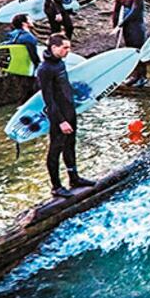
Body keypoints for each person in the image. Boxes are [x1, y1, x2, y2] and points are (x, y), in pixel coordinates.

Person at [36, 34, 95, 198]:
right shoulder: (45, 69)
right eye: (65, 48)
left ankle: (74, 178)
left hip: (70, 110)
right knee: (55, 149)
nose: (68, 51)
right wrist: (61, 121)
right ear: (54, 48)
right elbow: (48, 99)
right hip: (58, 115)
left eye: (69, 47)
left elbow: (64, 87)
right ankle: (56, 186)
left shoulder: (59, 63)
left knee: (70, 145)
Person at [111, 0, 148, 86]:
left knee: (138, 50)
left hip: (137, 26)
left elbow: (135, 11)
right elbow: (116, 12)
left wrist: (121, 24)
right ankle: (135, 75)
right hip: (127, 27)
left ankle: (143, 76)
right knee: (130, 50)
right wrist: (115, 25)